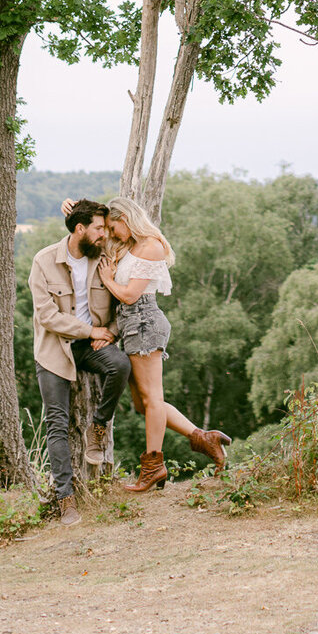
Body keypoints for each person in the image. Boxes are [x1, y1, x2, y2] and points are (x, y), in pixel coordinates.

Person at [60, 194, 231, 491]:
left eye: (115, 228)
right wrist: (75, 211)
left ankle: (153, 466)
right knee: (143, 403)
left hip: (144, 321)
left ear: (127, 220)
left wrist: (109, 279)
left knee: (152, 399)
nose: (112, 234)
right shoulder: (128, 245)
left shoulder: (151, 246)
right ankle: (203, 438)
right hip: (130, 325)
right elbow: (90, 235)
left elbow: (128, 295)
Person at [28, 199, 131, 526]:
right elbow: (47, 316)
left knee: (121, 366)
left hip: (92, 344)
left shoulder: (105, 257)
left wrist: (110, 333)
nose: (105, 234)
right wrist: (90, 329)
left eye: (106, 228)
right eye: (99, 228)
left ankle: (97, 427)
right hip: (55, 348)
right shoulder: (44, 261)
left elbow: (121, 306)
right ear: (79, 229)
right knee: (55, 423)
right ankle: (66, 500)